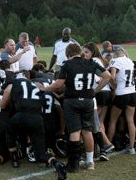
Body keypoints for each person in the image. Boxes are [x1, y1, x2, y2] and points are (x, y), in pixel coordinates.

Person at [37, 44, 111, 172]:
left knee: (75, 131)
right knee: (87, 131)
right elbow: (107, 76)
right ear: (80, 52)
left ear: (68, 55)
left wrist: (45, 88)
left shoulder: (67, 65)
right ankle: (90, 161)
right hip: (88, 101)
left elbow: (59, 84)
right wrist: (95, 90)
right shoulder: (91, 63)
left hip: (72, 101)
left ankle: (74, 164)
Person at [0, 71, 67, 180]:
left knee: (9, 130)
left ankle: (14, 157)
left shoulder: (14, 82)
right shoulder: (35, 84)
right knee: (40, 154)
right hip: (37, 118)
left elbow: (3, 104)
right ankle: (56, 163)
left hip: (21, 115)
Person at [83, 43, 114, 155]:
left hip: (101, 92)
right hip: (106, 91)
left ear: (92, 52)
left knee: (95, 123)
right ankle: (104, 145)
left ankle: (106, 145)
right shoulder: (99, 60)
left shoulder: (94, 61)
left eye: (86, 52)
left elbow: (98, 78)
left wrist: (95, 91)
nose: (84, 54)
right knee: (99, 122)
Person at [107, 48, 136, 154]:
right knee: (130, 120)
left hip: (121, 93)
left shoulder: (115, 61)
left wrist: (113, 86)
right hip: (132, 92)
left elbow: (112, 77)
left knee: (112, 121)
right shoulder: (130, 61)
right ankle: (132, 147)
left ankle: (108, 146)